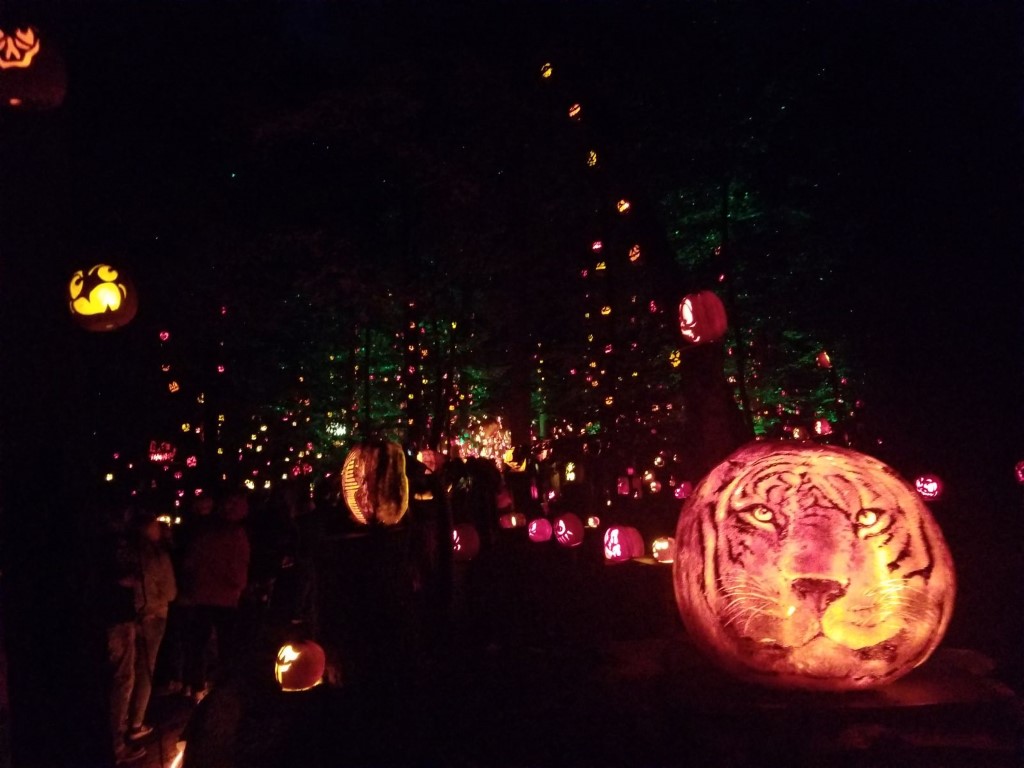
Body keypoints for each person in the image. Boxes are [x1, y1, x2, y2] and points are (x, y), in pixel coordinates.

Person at [180, 490, 250, 702]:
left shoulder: (205, 533)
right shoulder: (236, 535)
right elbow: (238, 569)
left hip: (201, 595)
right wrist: (239, 586)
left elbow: (190, 562)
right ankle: (223, 687)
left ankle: (196, 686)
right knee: (226, 645)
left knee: (198, 643)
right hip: (225, 597)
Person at [99, 507, 146, 764]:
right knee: (122, 679)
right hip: (117, 619)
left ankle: (111, 737)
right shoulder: (115, 546)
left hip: (111, 618)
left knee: (115, 679)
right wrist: (130, 578)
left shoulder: (95, 543)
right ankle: (116, 743)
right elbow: (120, 578)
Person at [126, 513, 177, 741]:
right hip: (153, 615)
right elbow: (170, 592)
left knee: (125, 672)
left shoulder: (127, 553)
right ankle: (136, 723)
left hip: (129, 616)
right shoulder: (158, 556)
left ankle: (120, 721)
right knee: (145, 670)